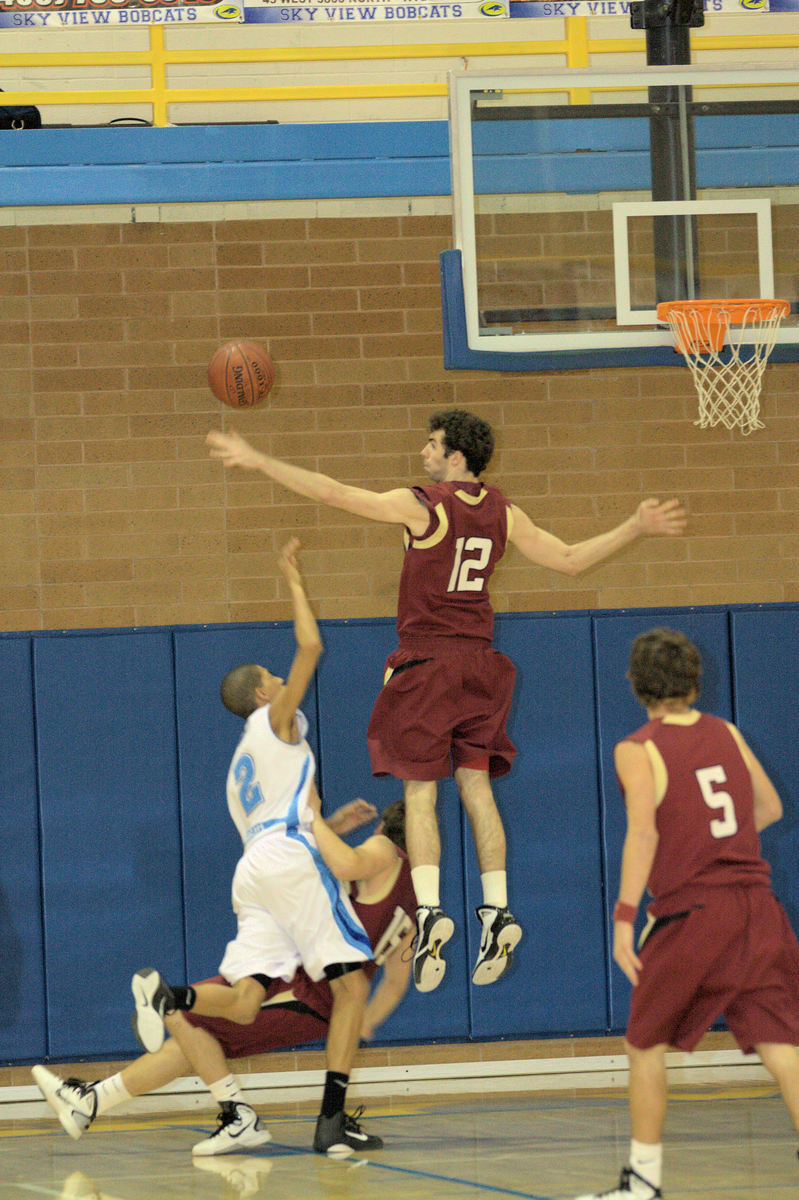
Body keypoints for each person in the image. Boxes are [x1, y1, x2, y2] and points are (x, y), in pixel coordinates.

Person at [207, 412, 687, 995]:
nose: (425, 451)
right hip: (482, 666)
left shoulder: (426, 505)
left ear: (456, 457)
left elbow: (335, 493)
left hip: (427, 663)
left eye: (433, 444)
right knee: (478, 787)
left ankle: (432, 911)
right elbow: (569, 560)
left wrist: (261, 462)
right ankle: (497, 911)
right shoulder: (504, 512)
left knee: (420, 792)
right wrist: (633, 526)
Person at [32, 800, 416, 1159]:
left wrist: (325, 821)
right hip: (302, 984)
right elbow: (397, 981)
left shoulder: (384, 850)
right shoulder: (413, 900)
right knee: (193, 1035)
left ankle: (237, 1116)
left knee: (182, 1016)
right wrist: (364, 1021)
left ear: (384, 827)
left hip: (304, 991)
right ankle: (91, 1101)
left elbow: (331, 861)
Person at [575, 627, 799, 1200]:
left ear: (634, 683)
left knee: (644, 1044)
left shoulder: (638, 748)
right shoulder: (725, 732)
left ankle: (642, 1185)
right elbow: (768, 806)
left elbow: (643, 834)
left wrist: (625, 914)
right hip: (759, 911)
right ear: (694, 680)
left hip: (696, 915)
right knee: (782, 1046)